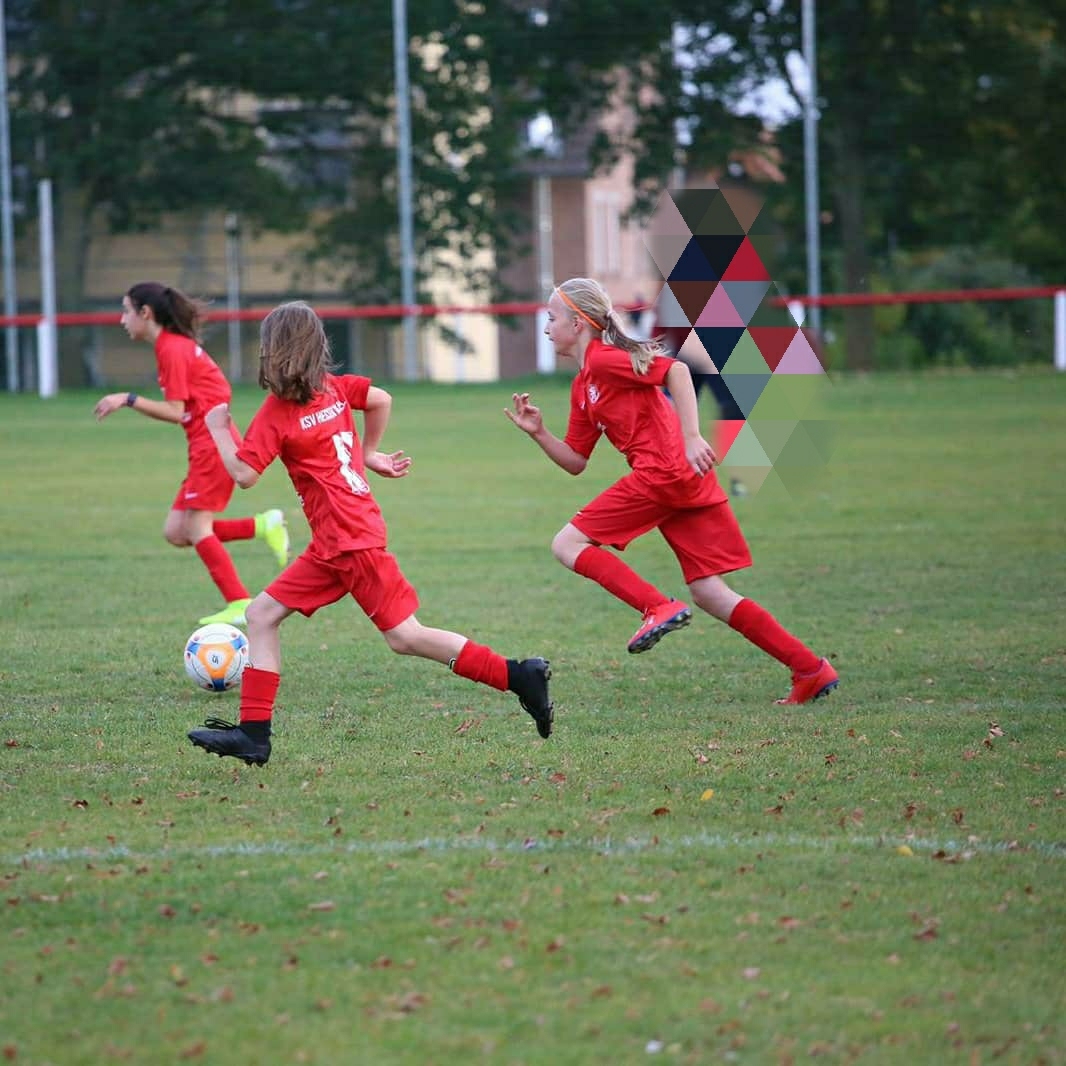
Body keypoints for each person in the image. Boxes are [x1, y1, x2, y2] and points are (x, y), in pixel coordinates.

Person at [187, 300, 553, 766]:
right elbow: (381, 398)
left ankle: (519, 676)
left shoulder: (278, 411)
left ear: (272, 351)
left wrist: (220, 428)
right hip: (341, 537)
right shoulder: (335, 388)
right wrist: (369, 453)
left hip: (348, 540)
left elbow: (244, 474)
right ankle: (254, 735)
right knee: (261, 615)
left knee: (406, 637)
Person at [504, 277, 838, 706]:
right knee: (710, 592)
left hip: (664, 473)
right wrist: (538, 432)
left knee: (566, 544)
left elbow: (677, 370)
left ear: (578, 323)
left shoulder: (604, 360)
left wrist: (692, 436)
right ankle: (810, 669)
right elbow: (575, 460)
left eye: (552, 318)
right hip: (683, 478)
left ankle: (657, 607)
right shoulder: (584, 385)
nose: (547, 327)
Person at [94, 282, 290, 626]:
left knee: (197, 527)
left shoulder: (172, 349)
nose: (122, 319)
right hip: (206, 442)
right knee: (177, 531)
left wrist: (127, 398)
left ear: (145, 313)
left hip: (211, 445)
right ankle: (263, 525)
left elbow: (175, 411)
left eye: (126, 311)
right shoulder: (171, 346)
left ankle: (239, 601)